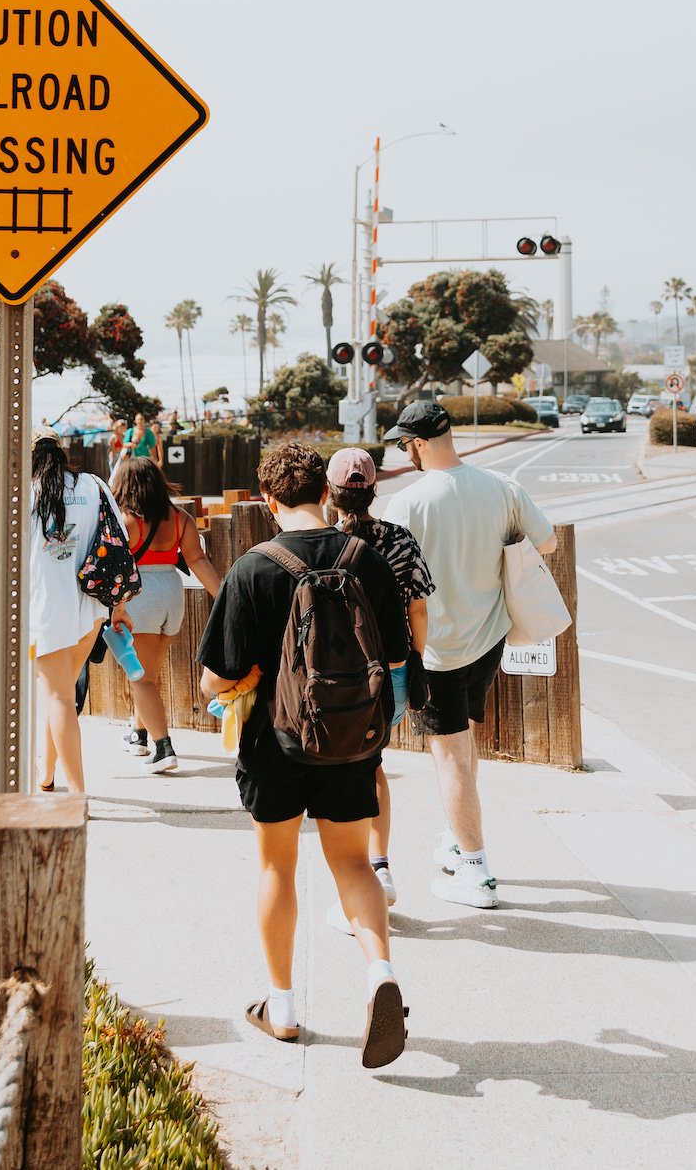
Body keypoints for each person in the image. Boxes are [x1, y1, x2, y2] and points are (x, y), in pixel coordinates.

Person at [198, 443, 411, 1069]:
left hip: (274, 743)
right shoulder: (366, 561)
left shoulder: (253, 568)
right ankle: (379, 972)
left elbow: (216, 678)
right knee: (353, 864)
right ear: (323, 488)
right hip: (350, 740)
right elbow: (395, 660)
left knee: (277, 869)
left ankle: (283, 1006)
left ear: (267, 501)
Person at [383, 400, 556, 910]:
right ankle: (458, 840)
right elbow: (544, 545)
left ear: (415, 444)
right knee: (464, 743)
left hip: (436, 650)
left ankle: (477, 872)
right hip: (489, 639)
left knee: (450, 758)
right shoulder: (503, 488)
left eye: (404, 444)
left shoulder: (407, 504)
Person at [0, 427, 132, 794]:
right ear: (60, 451)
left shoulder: (23, 494)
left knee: (59, 697)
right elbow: (120, 542)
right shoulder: (94, 485)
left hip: (46, 612)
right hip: (91, 607)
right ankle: (47, 774)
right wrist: (118, 605)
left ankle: (77, 794)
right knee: (62, 694)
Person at [324, 447, 434, 926]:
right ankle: (379, 864)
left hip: (332, 674)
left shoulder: (321, 542)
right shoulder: (399, 541)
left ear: (330, 492)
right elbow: (419, 608)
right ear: (373, 490)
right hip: (390, 671)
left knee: (338, 771)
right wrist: (418, 659)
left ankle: (354, 884)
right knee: (373, 763)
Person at [110, 458, 222, 774]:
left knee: (140, 676)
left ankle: (163, 747)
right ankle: (138, 733)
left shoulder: (127, 522)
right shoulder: (180, 519)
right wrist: (225, 597)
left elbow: (117, 568)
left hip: (139, 595)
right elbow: (197, 560)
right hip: (172, 593)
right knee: (150, 672)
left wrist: (115, 604)